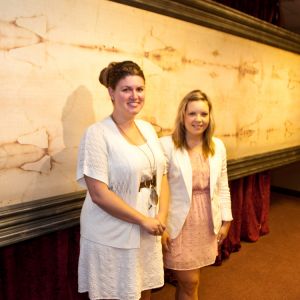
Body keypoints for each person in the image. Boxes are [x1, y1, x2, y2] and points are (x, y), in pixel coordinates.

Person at [76, 60, 169, 300]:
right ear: (111, 92)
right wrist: (143, 220)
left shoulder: (148, 128)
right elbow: (98, 194)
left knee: (144, 288)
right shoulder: (97, 134)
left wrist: (160, 217)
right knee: (117, 294)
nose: (134, 95)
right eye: (126, 89)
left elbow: (162, 175)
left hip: (146, 230)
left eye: (139, 89)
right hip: (111, 236)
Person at [160, 89, 233, 300]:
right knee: (189, 281)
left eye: (203, 114)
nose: (198, 119)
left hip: (207, 220)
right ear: (182, 116)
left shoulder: (217, 146)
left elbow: (222, 186)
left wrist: (226, 221)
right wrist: (161, 225)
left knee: (193, 282)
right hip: (178, 223)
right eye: (192, 113)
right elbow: (156, 190)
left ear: (210, 117)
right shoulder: (166, 145)